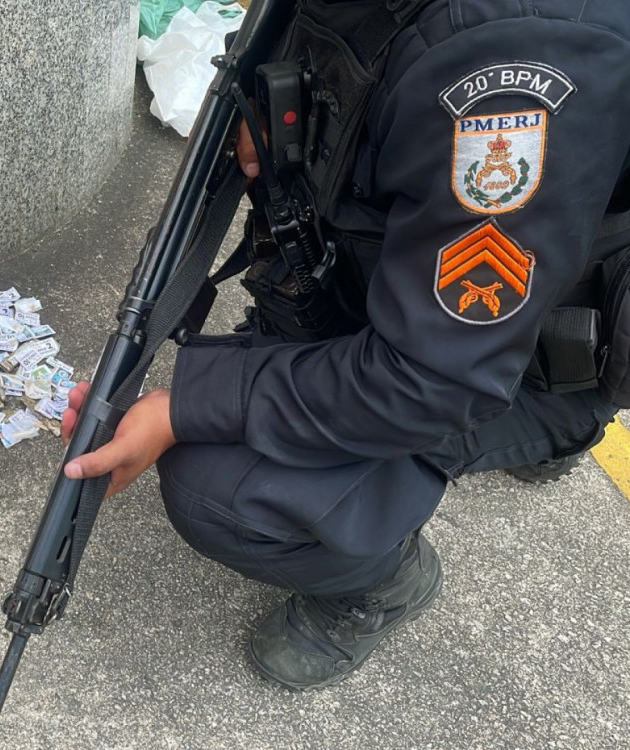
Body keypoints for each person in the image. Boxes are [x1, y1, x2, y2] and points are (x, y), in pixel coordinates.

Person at [60, 0, 630, 691]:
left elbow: (429, 381)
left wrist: (184, 407)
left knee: (216, 487)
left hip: (514, 360)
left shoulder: (515, 69)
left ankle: (388, 580)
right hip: (407, 300)